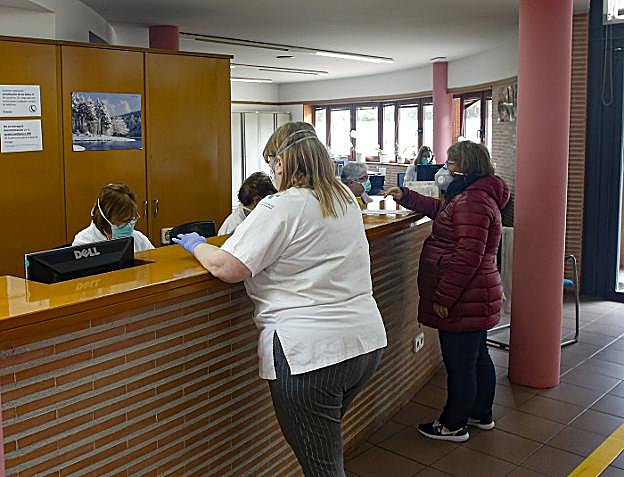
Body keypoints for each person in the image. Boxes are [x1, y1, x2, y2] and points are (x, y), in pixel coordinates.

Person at [173, 121, 387, 476]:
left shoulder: (281, 206)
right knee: (324, 445)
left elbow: (228, 267)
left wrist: (197, 246)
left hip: (310, 356)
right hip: (364, 344)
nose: (272, 171)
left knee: (323, 466)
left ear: (282, 162)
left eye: (272, 162)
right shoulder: (343, 197)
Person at [385, 141, 509, 443]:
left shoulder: (472, 201)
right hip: (476, 294)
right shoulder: (474, 195)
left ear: (466, 167)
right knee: (477, 356)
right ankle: (481, 413)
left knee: (460, 364)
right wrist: (407, 197)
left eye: (451, 163)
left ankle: (453, 424)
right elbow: (443, 211)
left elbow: (467, 257)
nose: (445, 169)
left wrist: (444, 297)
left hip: (464, 296)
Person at [72, 183, 154, 252]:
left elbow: (155, 261)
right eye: (124, 221)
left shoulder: (139, 239)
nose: (129, 226)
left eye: (131, 219)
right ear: (106, 219)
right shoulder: (83, 244)